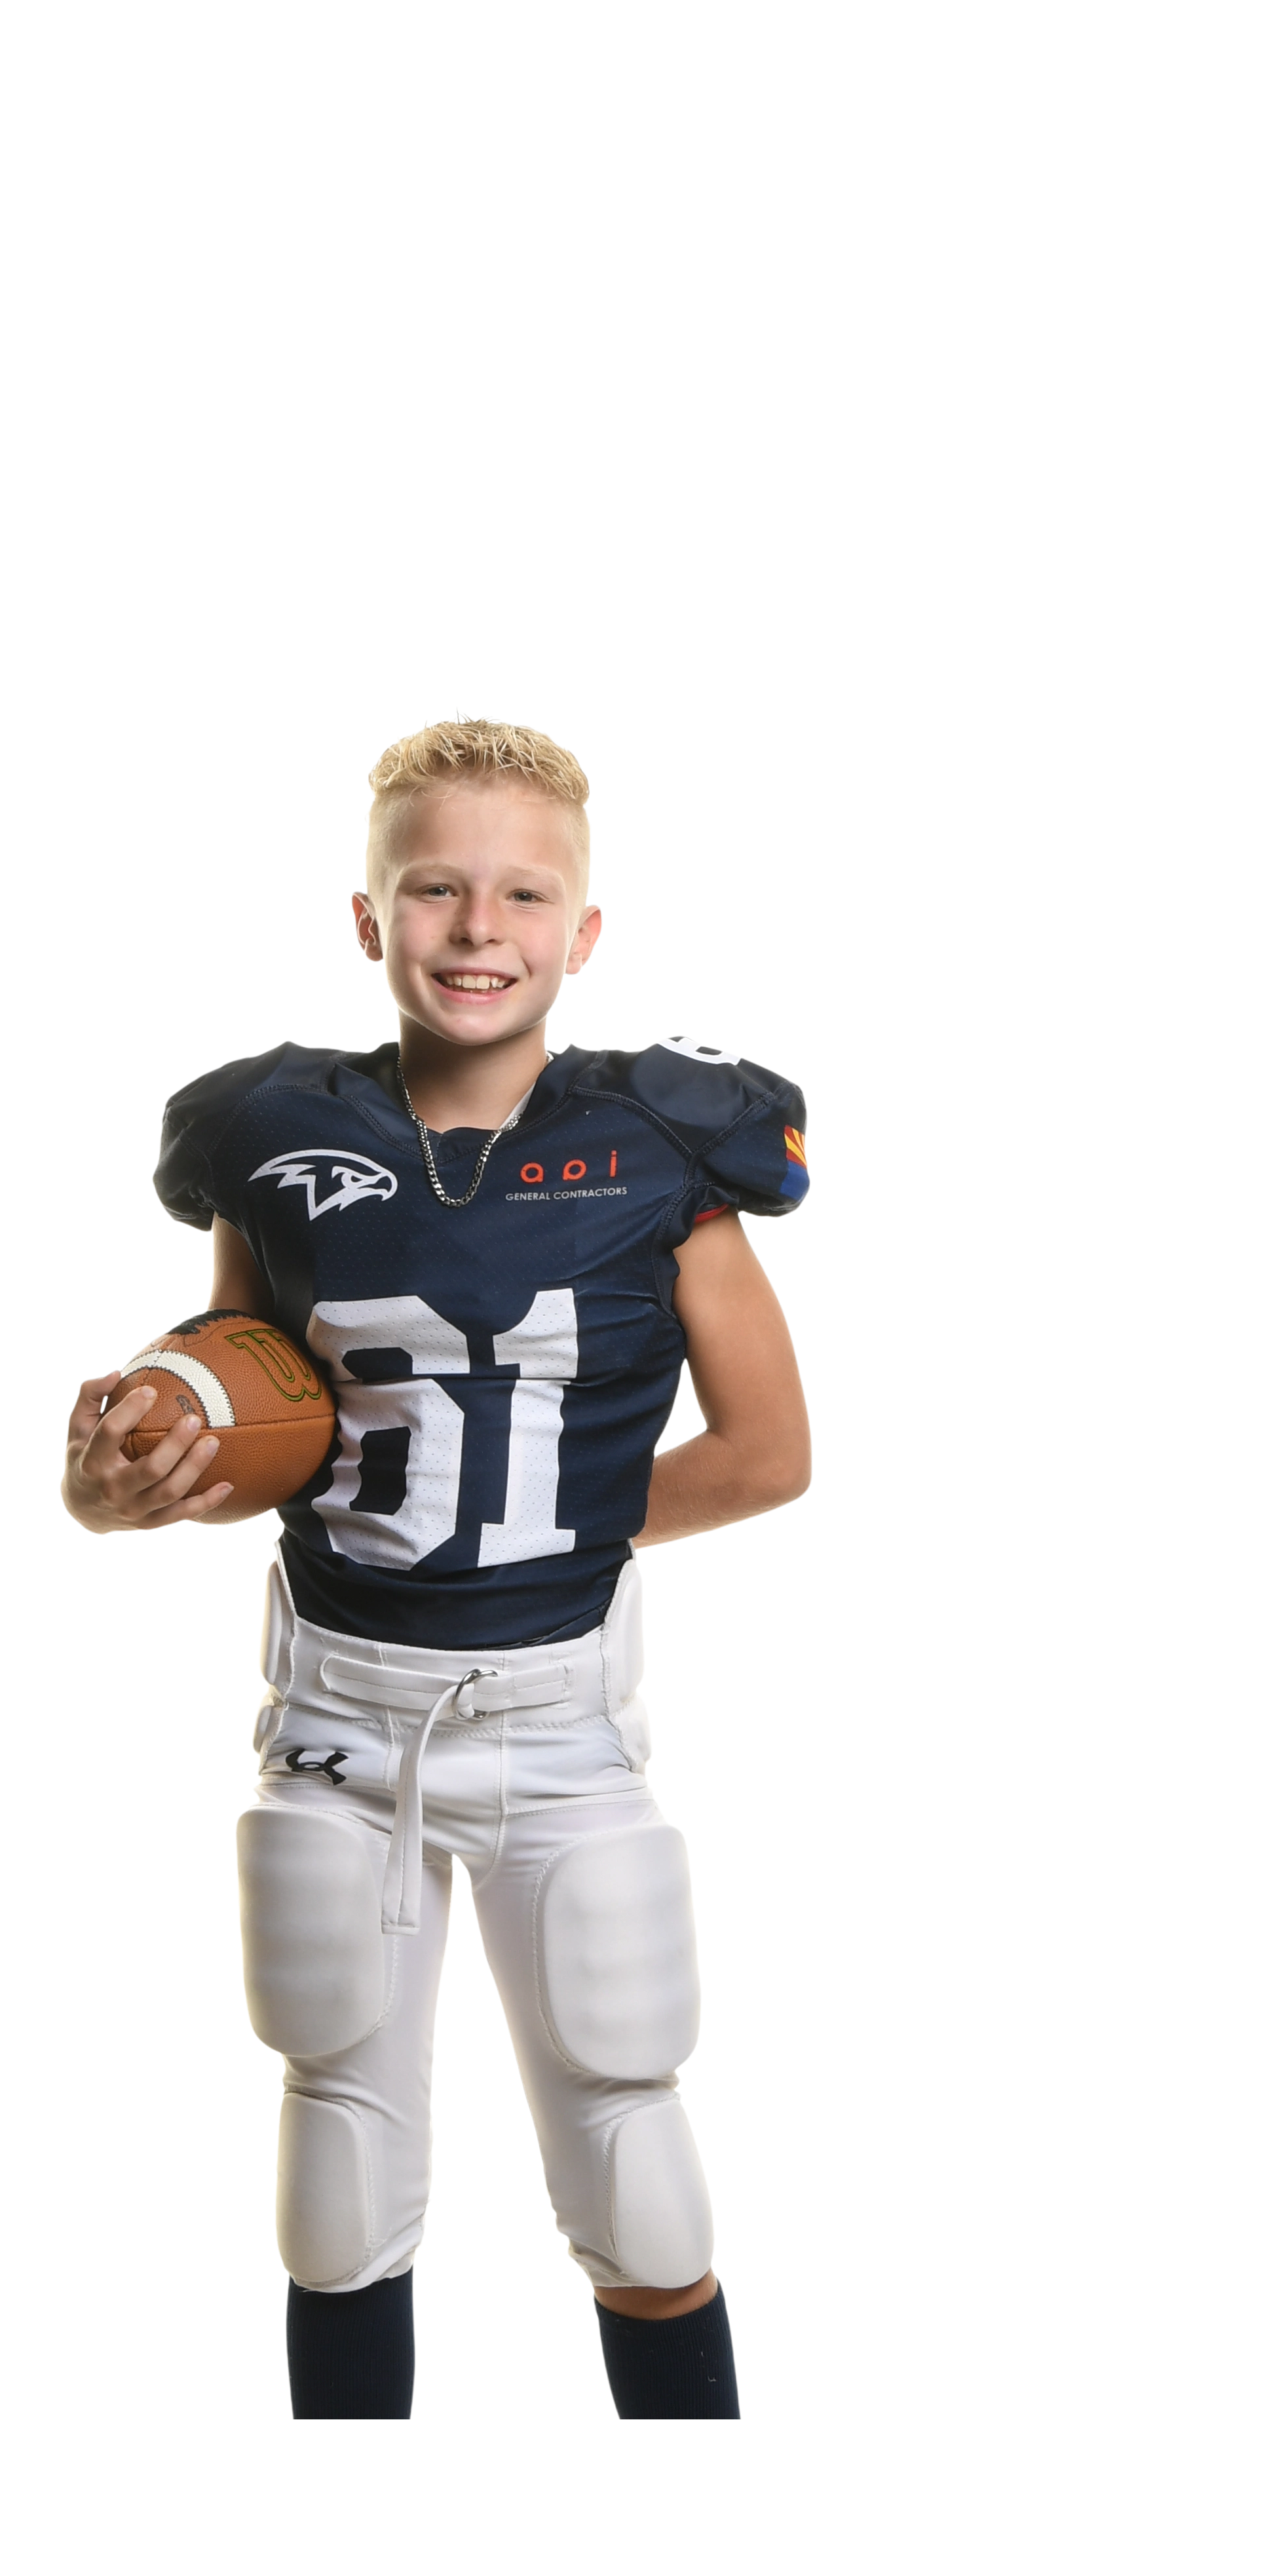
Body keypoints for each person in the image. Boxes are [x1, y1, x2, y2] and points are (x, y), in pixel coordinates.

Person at [59, 716, 812, 2417]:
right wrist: (118, 1486)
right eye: (435, 888)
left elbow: (770, 1454)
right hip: (338, 1723)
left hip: (560, 1726)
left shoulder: (664, 1147)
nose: (480, 927)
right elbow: (248, 1420)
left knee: (633, 2162)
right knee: (338, 2183)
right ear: (369, 917)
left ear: (584, 930)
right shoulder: (272, 1138)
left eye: (525, 894)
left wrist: (545, 1521)